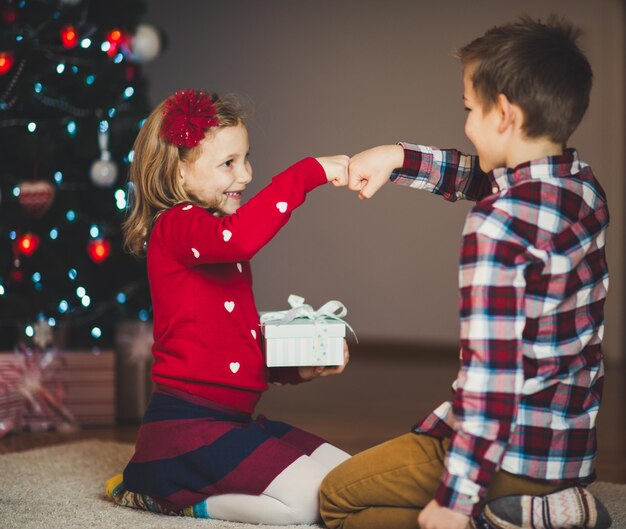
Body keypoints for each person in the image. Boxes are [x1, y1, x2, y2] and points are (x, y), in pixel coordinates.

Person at [320, 15, 612, 529]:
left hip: (508, 455)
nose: (465, 124)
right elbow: (483, 177)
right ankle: (537, 508)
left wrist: (456, 500)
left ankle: (497, 517)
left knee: (338, 500)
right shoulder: (581, 189)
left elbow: (493, 377)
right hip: (567, 449)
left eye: (468, 110)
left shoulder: (497, 225)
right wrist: (396, 157)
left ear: (503, 114)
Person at [104, 88, 351, 525]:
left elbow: (229, 347)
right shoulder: (176, 227)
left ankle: (179, 482)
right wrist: (306, 174)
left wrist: (293, 370)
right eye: (229, 164)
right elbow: (239, 237)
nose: (247, 174)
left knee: (348, 479)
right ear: (179, 173)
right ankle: (171, 495)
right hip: (185, 428)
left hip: (234, 421)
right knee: (310, 502)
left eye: (246, 159)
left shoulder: (212, 237)